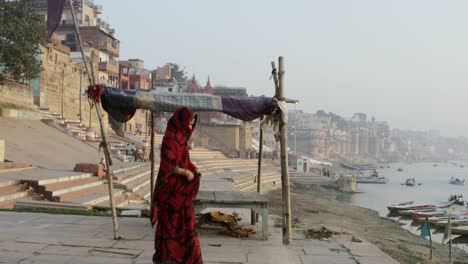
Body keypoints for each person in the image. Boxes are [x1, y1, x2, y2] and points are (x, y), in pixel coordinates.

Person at [151, 107, 202, 264]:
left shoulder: (182, 138)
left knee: (187, 228)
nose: (191, 124)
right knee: (169, 227)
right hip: (170, 192)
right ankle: (168, 258)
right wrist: (187, 173)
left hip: (181, 193)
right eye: (189, 120)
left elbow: (184, 160)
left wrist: (192, 168)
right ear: (181, 120)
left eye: (193, 121)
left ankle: (188, 258)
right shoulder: (170, 138)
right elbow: (168, 165)